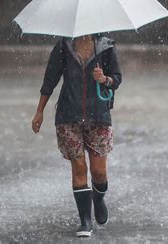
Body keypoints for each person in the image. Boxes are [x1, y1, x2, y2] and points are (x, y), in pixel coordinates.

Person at [31, 34, 122, 237]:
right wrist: (40, 111)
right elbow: (50, 79)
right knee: (79, 167)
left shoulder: (106, 46)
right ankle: (85, 221)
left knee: (98, 172)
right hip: (68, 115)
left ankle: (97, 200)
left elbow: (117, 78)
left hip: (98, 115)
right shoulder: (64, 46)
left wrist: (105, 79)